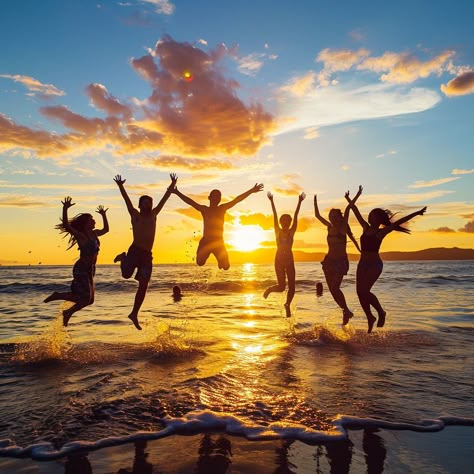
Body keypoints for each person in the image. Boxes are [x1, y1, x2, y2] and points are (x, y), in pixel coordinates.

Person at [345, 187, 427, 333]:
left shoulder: (381, 232)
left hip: (374, 265)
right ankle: (370, 317)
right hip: (362, 263)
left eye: (373, 216)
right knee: (359, 292)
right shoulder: (365, 227)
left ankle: (381, 312)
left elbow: (399, 222)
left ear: (378, 219)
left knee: (365, 291)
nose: (370, 217)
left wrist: (417, 213)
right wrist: (350, 199)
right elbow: (354, 209)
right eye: (370, 215)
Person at [114, 173, 177, 330]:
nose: (147, 205)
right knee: (126, 275)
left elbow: (164, 200)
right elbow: (127, 201)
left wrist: (172, 185)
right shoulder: (135, 215)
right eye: (144, 203)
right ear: (140, 205)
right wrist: (121, 186)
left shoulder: (154, 214)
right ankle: (123, 257)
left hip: (147, 255)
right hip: (134, 251)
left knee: (144, 284)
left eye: (149, 203)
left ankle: (134, 313)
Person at [44, 197, 109, 326]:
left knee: (90, 300)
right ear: (86, 223)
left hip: (91, 269)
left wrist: (104, 215)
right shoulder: (81, 235)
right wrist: (65, 208)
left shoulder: (95, 234)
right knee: (85, 298)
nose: (94, 221)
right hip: (82, 269)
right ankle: (58, 296)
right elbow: (67, 226)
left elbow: (106, 229)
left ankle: (67, 312)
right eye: (91, 219)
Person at [170, 183, 264, 269]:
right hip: (206, 242)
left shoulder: (222, 208)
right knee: (200, 263)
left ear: (220, 199)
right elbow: (190, 202)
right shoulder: (204, 209)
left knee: (226, 267)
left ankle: (220, 261)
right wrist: (177, 192)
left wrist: (251, 191)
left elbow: (237, 200)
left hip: (218, 242)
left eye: (218, 197)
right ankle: (209, 255)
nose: (216, 198)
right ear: (209, 198)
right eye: (214, 196)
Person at [314, 190, 362, 325]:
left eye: (335, 216)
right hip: (329, 261)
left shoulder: (342, 228)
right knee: (332, 290)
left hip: (340, 262)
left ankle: (346, 311)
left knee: (335, 288)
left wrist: (354, 196)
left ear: (339, 218)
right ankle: (345, 311)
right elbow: (317, 215)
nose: (332, 218)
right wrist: (315, 201)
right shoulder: (329, 227)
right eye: (331, 216)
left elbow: (348, 208)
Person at [263, 191, 306, 317]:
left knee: (292, 287)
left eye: (288, 220)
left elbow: (296, 215)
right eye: (284, 220)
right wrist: (271, 201)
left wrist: (299, 202)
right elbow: (274, 215)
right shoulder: (278, 231)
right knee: (282, 287)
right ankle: (270, 289)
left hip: (289, 260)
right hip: (279, 261)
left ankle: (287, 304)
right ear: (281, 222)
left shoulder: (291, 232)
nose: (286, 222)